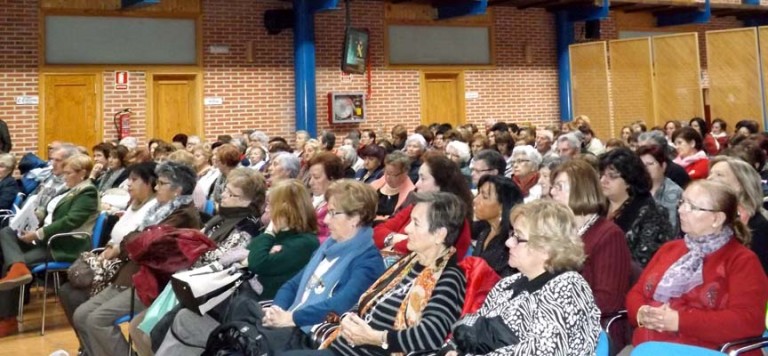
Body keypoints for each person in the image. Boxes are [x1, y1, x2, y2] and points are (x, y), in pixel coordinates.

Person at [157, 180, 386, 355]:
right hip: (285, 319)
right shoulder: (329, 246)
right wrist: (278, 311)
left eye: (334, 213)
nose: (326, 220)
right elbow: (293, 284)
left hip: (306, 333)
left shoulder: (366, 261)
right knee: (199, 325)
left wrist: (291, 318)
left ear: (355, 218)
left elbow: (339, 305)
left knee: (227, 339)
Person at [128, 168, 268, 356]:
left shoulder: (246, 228)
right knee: (138, 327)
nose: (224, 196)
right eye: (225, 190)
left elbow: (220, 264)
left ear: (248, 201)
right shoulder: (222, 217)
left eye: (232, 194)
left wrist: (188, 252)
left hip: (210, 296)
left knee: (144, 331)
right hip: (190, 284)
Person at [311, 192, 467, 356]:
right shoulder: (409, 261)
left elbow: (431, 334)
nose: (407, 229)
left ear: (439, 234)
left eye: (416, 223)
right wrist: (348, 318)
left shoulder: (449, 278)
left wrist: (377, 338)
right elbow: (371, 299)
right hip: (343, 346)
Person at [72, 161, 202, 356]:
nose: (156, 187)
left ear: (178, 190)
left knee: (97, 320)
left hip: (153, 282)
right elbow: (134, 239)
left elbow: (144, 244)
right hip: (130, 274)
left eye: (162, 183)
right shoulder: (158, 209)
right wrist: (131, 243)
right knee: (81, 315)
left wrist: (129, 244)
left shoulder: (183, 215)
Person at [441, 200, 601, 356]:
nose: (509, 242)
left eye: (518, 237)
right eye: (512, 234)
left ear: (546, 248)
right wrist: (450, 349)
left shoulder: (569, 287)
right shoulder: (508, 284)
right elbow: (471, 327)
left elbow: (546, 350)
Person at [626, 180, 768, 352]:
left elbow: (748, 322)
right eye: (682, 202)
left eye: (692, 207)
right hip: (648, 346)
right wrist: (642, 313)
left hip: (707, 350)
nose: (680, 210)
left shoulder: (742, 261)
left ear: (717, 219)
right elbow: (637, 292)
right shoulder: (670, 249)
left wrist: (679, 321)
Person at [549, 159, 632, 347]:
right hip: (560, 323)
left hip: (595, 330)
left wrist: (555, 309)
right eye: (553, 187)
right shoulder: (560, 232)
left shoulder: (608, 235)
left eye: (559, 187)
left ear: (581, 190)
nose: (552, 192)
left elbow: (609, 300)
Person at [0, 154, 99, 290]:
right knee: (7, 232)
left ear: (82, 173)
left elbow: (70, 221)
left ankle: (9, 308)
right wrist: (36, 215)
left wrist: (37, 234)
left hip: (63, 244)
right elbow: (50, 210)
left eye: (68, 173)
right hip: (46, 238)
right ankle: (18, 270)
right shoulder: (69, 189)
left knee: (13, 261)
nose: (64, 177)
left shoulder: (88, 192)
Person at [374, 154, 473, 261]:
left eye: (423, 178)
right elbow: (377, 231)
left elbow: (411, 249)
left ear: (441, 183)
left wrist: (392, 240)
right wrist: (397, 238)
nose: (417, 184)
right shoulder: (416, 206)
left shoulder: (455, 221)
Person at [599, 148, 675, 268]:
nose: (603, 181)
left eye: (612, 176)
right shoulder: (597, 207)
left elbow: (643, 263)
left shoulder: (651, 213)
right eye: (602, 175)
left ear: (629, 180)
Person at [246, 179, 320, 299]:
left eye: (271, 205)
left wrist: (270, 232)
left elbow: (257, 263)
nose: (266, 209)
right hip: (249, 295)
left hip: (265, 305)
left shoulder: (306, 243)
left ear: (286, 208)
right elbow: (249, 251)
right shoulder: (282, 231)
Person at [708, 156, 768, 274]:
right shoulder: (703, 214)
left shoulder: (757, 225)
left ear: (740, 184)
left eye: (719, 175)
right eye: (710, 174)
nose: (710, 178)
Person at [472, 175, 523, 276]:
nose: (475, 200)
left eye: (484, 197)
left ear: (502, 206)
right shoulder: (484, 232)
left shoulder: (511, 242)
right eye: (478, 194)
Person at [637, 145, 683, 234]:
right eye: (641, 165)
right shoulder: (635, 189)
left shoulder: (674, 192)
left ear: (663, 166)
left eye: (650, 164)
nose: (645, 169)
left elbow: (671, 229)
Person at [307, 152, 345, 244]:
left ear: (332, 178)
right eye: (310, 177)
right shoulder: (312, 199)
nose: (310, 182)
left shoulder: (339, 205)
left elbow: (331, 239)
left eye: (316, 177)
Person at [370, 151, 414, 221]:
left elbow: (398, 219)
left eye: (393, 174)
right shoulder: (377, 184)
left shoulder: (410, 193)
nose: (388, 177)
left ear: (405, 173)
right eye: (386, 172)